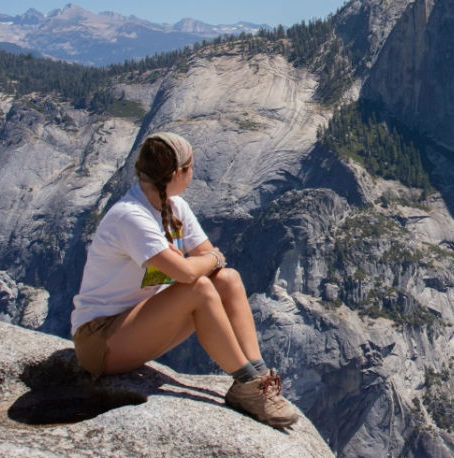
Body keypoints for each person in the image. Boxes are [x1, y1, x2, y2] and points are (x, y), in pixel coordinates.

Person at [70, 131, 298, 428]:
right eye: (190, 169)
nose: (193, 175)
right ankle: (245, 384)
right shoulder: (131, 217)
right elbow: (193, 270)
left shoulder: (175, 207)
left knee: (228, 279)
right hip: (100, 340)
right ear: (177, 173)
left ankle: (258, 376)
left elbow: (209, 263)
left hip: (137, 323)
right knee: (199, 287)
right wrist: (210, 259)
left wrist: (209, 261)